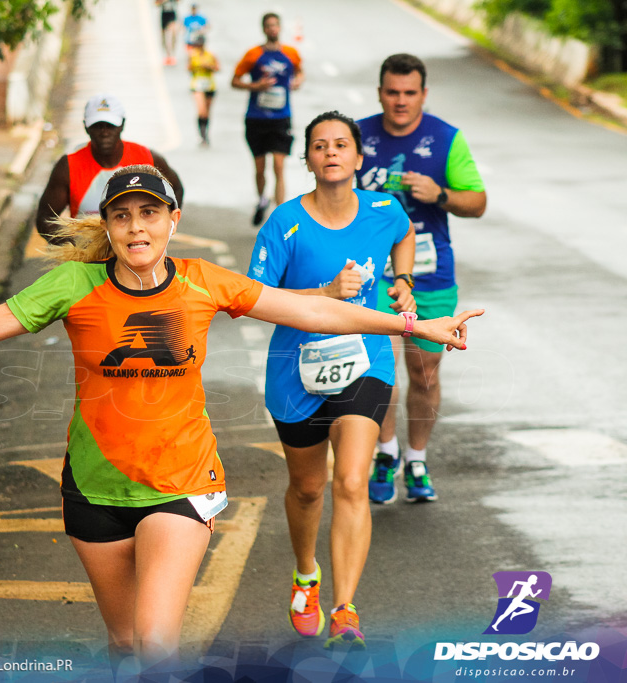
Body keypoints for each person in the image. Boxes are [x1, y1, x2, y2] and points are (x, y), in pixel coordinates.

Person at [0, 164, 480, 676]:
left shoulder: (202, 283)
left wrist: (414, 326)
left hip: (179, 483)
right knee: (124, 644)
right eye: (123, 217)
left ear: (171, 220)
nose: (137, 229)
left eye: (149, 214)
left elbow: (317, 312)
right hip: (93, 488)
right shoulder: (75, 287)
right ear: (110, 226)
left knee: (156, 646)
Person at [248, 111, 432, 650]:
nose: (331, 153)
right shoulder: (284, 224)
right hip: (295, 373)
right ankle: (306, 574)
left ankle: (345, 609)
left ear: (357, 157)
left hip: (366, 361)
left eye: (341, 144)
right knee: (308, 489)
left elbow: (404, 233)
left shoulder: (382, 209)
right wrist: (326, 292)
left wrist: (402, 280)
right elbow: (255, 301)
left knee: (351, 480)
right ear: (306, 159)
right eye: (320, 146)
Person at [356, 53, 487, 504]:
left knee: (425, 373)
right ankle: (386, 452)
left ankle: (416, 458)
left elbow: (478, 201)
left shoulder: (446, 138)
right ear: (380, 93)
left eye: (409, 93)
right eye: (392, 92)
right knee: (381, 370)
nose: (400, 101)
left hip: (431, 276)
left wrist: (442, 194)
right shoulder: (359, 137)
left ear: (423, 95)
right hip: (372, 278)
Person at [35, 93, 183, 245]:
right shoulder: (67, 166)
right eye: (97, 126)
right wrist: (74, 245)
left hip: (138, 253)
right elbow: (45, 218)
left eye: (110, 126)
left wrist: (165, 229)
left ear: (122, 125)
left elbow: (176, 188)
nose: (104, 132)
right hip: (90, 261)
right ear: (86, 127)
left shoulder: (149, 159)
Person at [232, 12, 304, 227]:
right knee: (260, 167)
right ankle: (262, 199)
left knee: (280, 167)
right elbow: (234, 81)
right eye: (269, 26)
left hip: (281, 118)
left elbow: (300, 72)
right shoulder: (253, 55)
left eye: (276, 25)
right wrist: (256, 86)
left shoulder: (291, 53)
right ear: (264, 29)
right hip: (256, 118)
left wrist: (297, 82)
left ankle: (280, 214)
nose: (273, 29)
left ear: (280, 28)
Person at [186, 35, 220, 146]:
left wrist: (209, 66)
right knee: (202, 111)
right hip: (197, 85)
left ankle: (206, 134)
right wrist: (198, 67)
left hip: (209, 85)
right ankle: (202, 135)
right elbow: (189, 68)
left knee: (207, 112)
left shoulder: (211, 55)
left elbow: (217, 67)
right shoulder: (192, 55)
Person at [156, 0, 180, 66]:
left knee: (172, 36)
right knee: (164, 38)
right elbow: (156, 4)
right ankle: (168, 55)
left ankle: (172, 55)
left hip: (172, 16)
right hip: (164, 16)